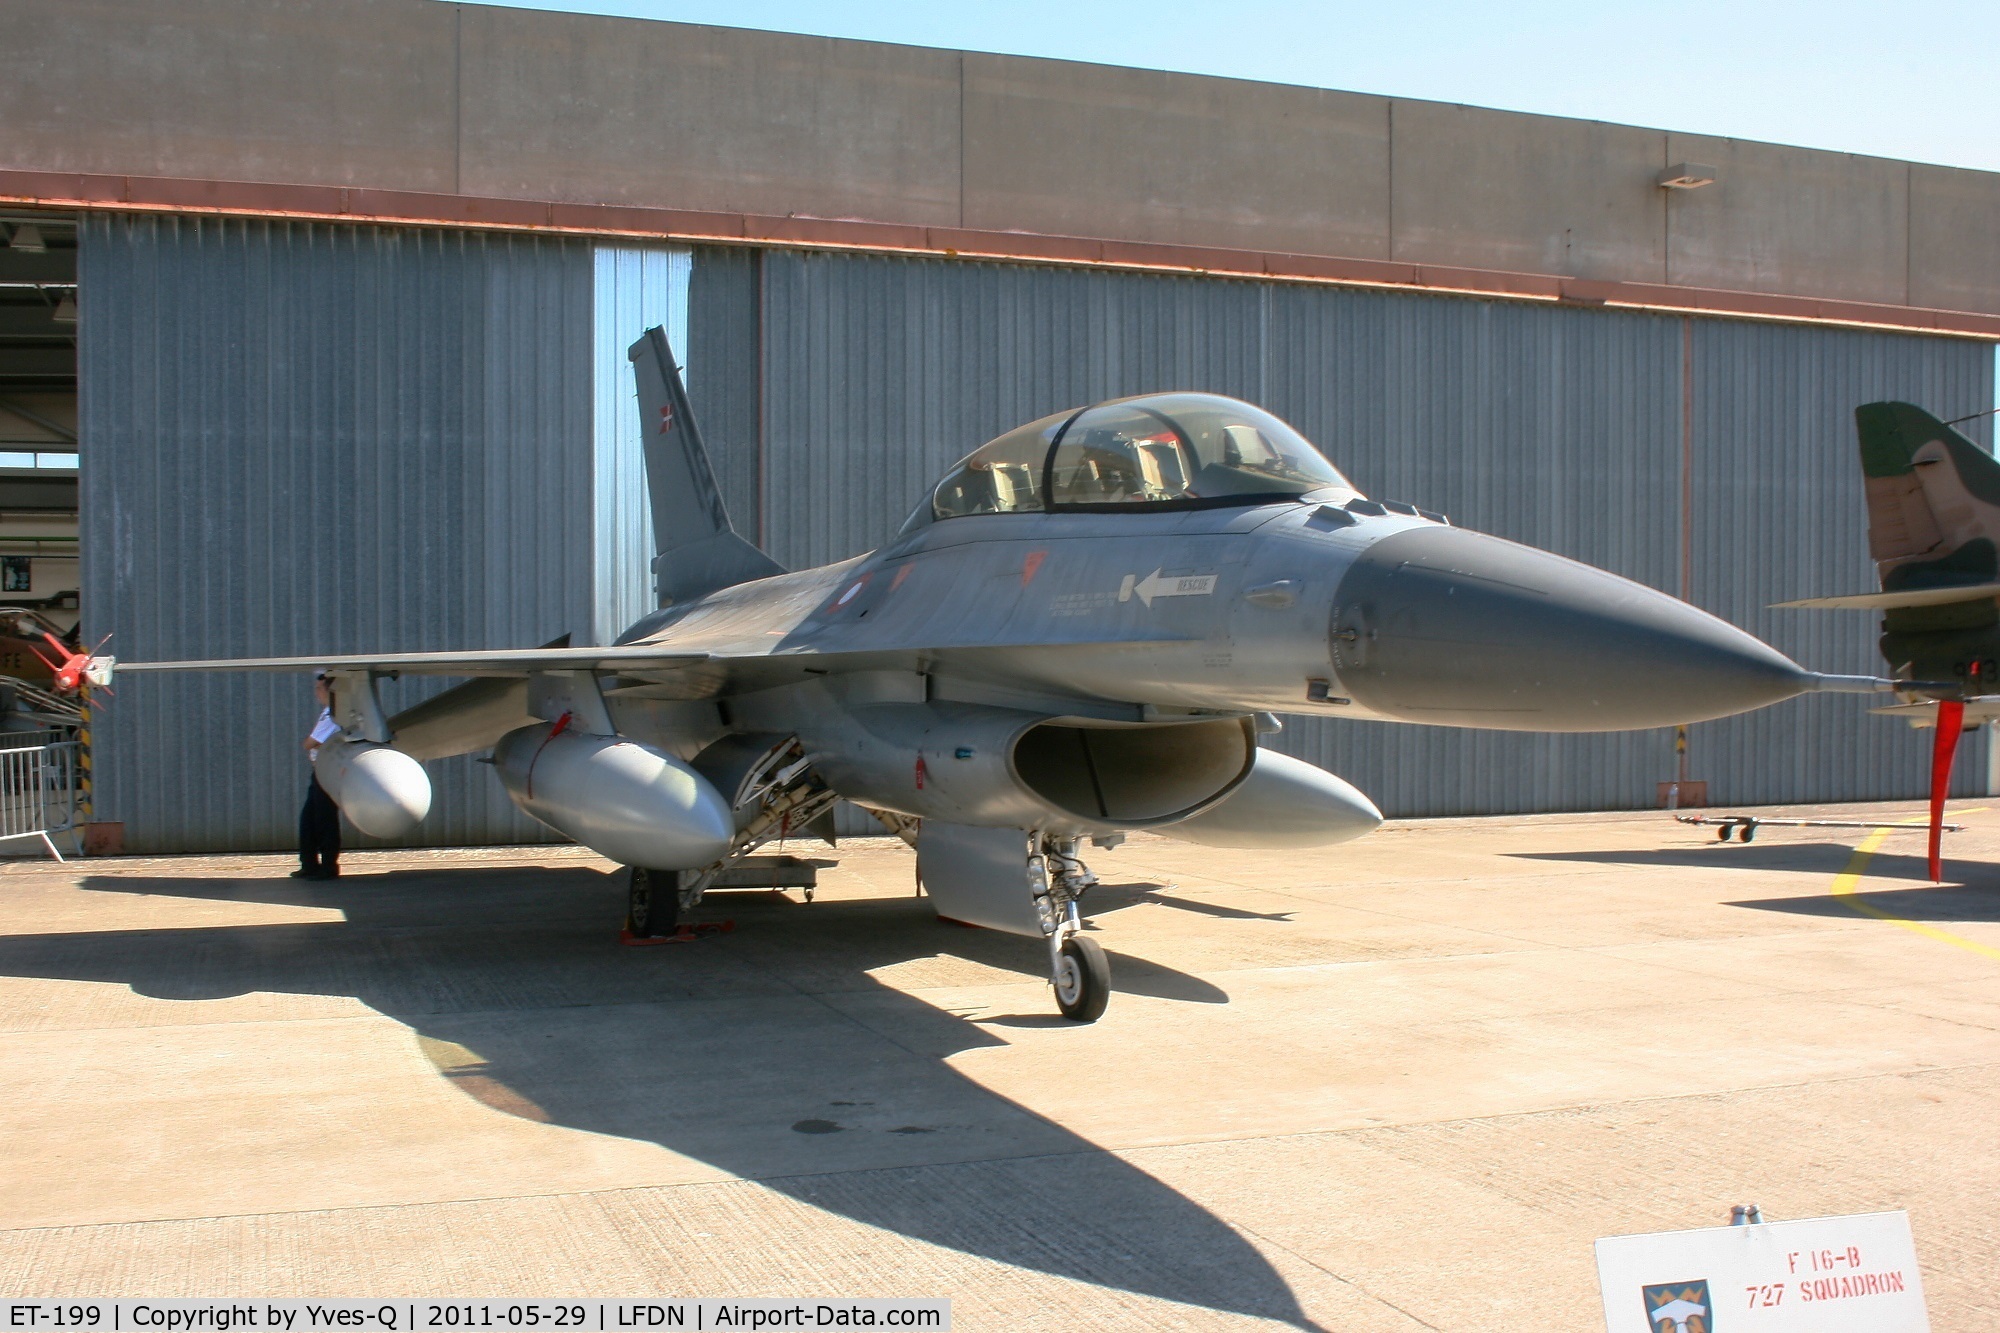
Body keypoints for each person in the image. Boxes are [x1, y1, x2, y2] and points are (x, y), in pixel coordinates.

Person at [295, 673, 341, 880]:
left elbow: (309, 742)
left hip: (326, 770)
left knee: (324, 818)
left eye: (319, 688)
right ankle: (310, 864)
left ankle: (328, 865)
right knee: (310, 819)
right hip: (319, 770)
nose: (316, 693)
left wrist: (311, 744)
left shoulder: (333, 714)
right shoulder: (327, 713)